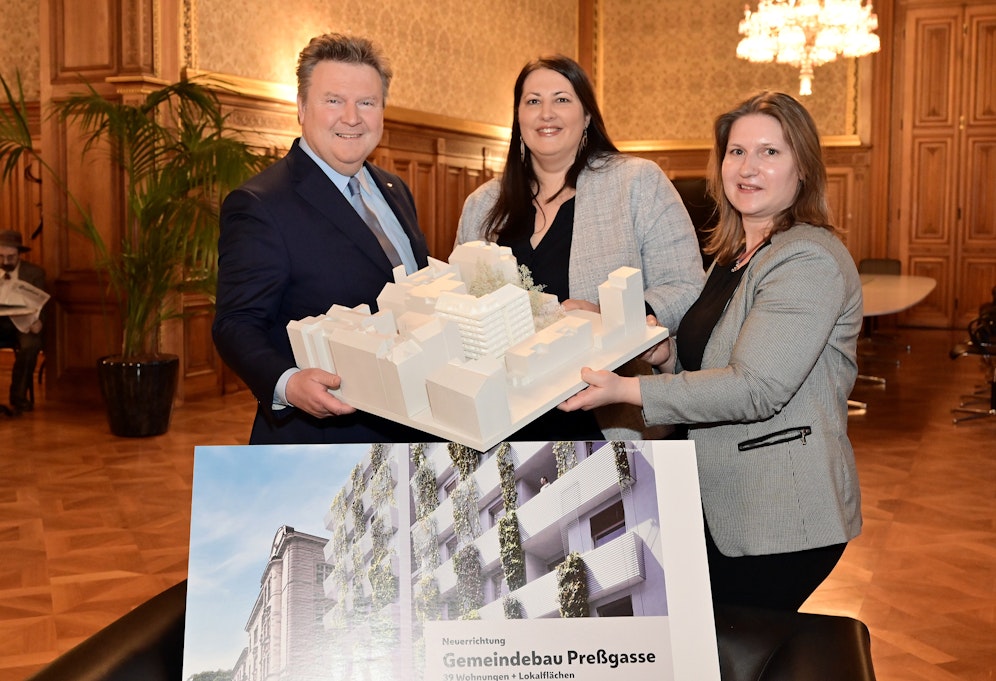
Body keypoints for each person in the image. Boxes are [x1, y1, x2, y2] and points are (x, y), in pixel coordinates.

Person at [560, 91, 863, 611]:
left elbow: (755, 387)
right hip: (722, 498)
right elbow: (711, 363)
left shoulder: (807, 259)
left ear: (803, 170)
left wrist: (629, 389)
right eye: (736, 152)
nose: (748, 167)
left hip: (779, 513)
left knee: (730, 652)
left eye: (771, 152)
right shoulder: (734, 255)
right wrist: (661, 353)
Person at [455, 55, 705, 442]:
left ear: (587, 115)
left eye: (562, 100)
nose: (546, 114)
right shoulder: (482, 205)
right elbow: (460, 303)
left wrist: (609, 316)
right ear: (518, 118)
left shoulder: (636, 182)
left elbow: (686, 286)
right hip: (504, 416)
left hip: (606, 412)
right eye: (533, 101)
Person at [213, 33, 433, 445]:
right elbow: (235, 324)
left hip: (413, 429)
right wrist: (288, 383)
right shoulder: (260, 203)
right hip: (322, 440)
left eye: (366, 102)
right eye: (333, 100)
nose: (351, 117)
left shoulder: (395, 189)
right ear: (300, 107)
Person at [0, 230, 45, 415]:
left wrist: (39, 322)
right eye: (1, 256)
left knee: (30, 345)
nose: (5, 262)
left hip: (23, 324)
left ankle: (18, 396)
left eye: (11, 257)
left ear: (19, 254)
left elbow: (43, 304)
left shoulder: (34, 273)